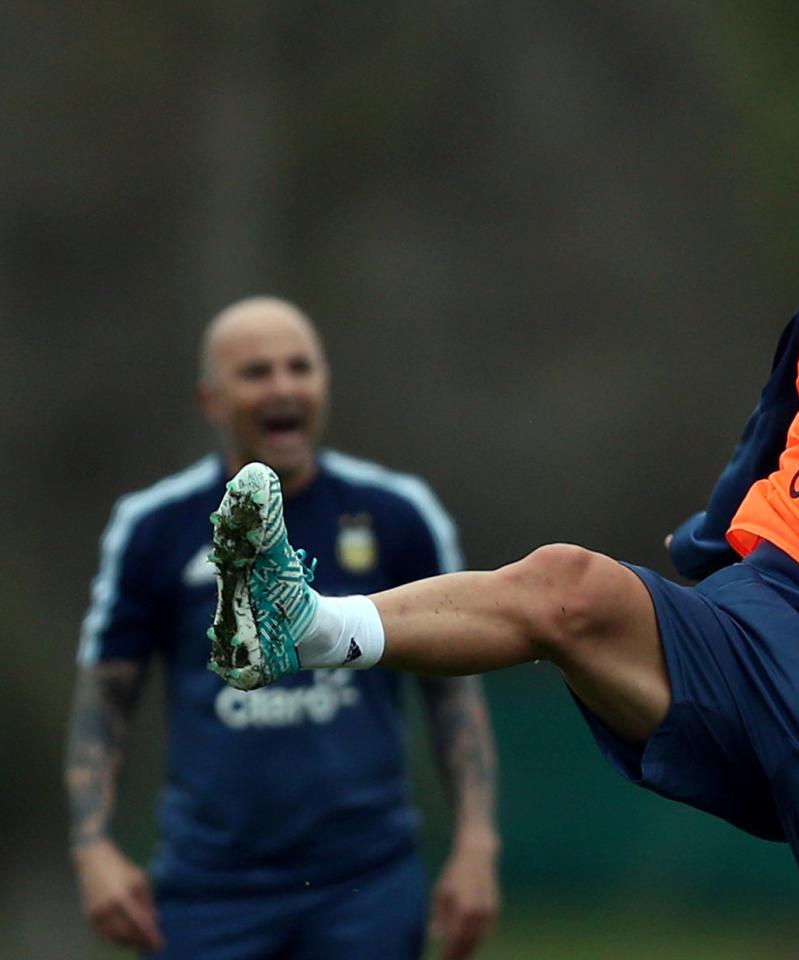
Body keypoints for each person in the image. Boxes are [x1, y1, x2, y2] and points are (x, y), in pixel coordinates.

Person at [202, 57, 799, 960]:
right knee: (567, 588)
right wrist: (699, 549)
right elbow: (767, 446)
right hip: (769, 642)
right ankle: (305, 625)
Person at [66, 297, 501, 960]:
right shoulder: (153, 526)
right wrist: (92, 844)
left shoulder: (398, 513)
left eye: (300, 367)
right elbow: (106, 695)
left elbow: (453, 690)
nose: (283, 387)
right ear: (211, 400)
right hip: (209, 887)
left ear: (324, 383)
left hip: (365, 882)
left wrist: (476, 841)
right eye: (257, 372)